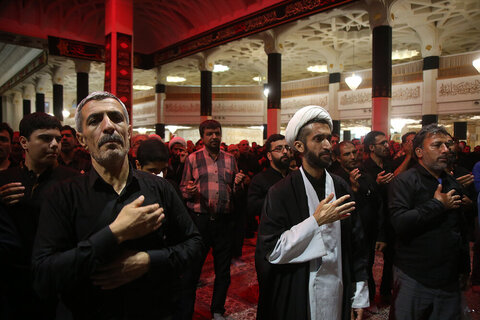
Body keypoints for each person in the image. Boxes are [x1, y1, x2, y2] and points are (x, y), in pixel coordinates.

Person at [32, 91, 203, 319]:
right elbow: (44, 276)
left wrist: (148, 260)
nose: (109, 126)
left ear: (129, 132)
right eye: (95, 120)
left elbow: (194, 244)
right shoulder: (63, 195)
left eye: (116, 118)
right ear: (81, 138)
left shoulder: (160, 188)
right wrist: (114, 234)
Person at [255, 105, 369, 320]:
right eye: (318, 139)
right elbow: (272, 251)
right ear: (299, 146)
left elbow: (357, 244)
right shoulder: (280, 192)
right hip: (298, 288)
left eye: (329, 138)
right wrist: (316, 222)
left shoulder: (340, 186)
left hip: (338, 284)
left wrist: (359, 295)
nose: (327, 145)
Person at [0, 112, 78, 319]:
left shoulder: (73, 183)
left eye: (58, 139)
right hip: (12, 282)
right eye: (45, 138)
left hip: (56, 283)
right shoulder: (6, 180)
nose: (55, 145)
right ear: (24, 142)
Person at [389, 124, 470, 319]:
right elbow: (400, 223)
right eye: (437, 145)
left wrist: (464, 267)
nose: (445, 150)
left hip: (448, 276)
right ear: (419, 152)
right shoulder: (405, 181)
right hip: (414, 274)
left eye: (447, 144)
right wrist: (437, 205)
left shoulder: (452, 183)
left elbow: (460, 229)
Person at [180, 120, 245, 320]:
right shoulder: (192, 159)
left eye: (217, 133)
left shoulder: (230, 159)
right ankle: (186, 310)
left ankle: (218, 310)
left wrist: (238, 184)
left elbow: (234, 191)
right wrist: (189, 192)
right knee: (193, 269)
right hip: (200, 220)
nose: (214, 137)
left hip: (224, 221)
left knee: (223, 271)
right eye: (210, 134)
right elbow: (183, 188)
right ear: (202, 136)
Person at [331, 141, 386, 311]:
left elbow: (379, 205)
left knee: (366, 267)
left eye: (354, 152)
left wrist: (381, 235)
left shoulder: (365, 175)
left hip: (368, 232)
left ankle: (366, 302)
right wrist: (353, 190)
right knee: (346, 269)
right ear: (338, 158)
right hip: (346, 235)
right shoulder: (334, 179)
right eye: (347, 154)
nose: (353, 157)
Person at [363, 130, 395, 302]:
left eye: (386, 142)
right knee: (367, 261)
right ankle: (367, 297)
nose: (386, 146)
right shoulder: (364, 168)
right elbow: (362, 196)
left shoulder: (388, 165)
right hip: (371, 220)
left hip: (389, 218)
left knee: (391, 258)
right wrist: (376, 184)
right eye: (382, 143)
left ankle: (385, 292)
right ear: (371, 147)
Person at [248, 134, 290, 228]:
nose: (285, 151)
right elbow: (252, 207)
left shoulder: (294, 176)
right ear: (269, 156)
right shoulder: (260, 179)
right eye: (279, 149)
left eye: (287, 147)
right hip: (272, 231)